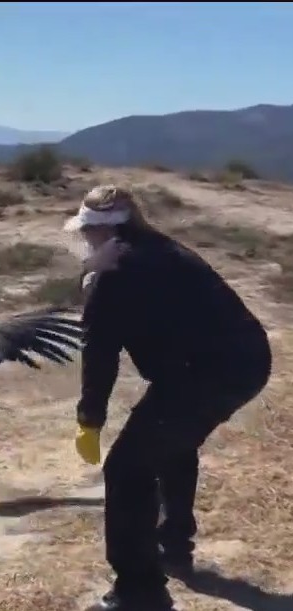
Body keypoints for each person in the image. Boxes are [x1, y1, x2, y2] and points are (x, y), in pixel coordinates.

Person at [64, 185, 272, 611]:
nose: (85, 240)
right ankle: (172, 544)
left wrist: (90, 419)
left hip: (204, 373)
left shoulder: (114, 270)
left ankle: (139, 591)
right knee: (171, 442)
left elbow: (99, 350)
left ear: (104, 231)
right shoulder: (158, 248)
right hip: (244, 359)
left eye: (87, 233)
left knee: (126, 469)